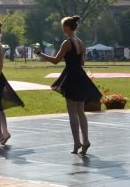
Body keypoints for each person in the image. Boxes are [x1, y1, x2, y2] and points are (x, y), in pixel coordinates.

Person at [35, 15, 102, 155]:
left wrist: (40, 53)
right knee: (81, 111)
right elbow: (82, 62)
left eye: (62, 26)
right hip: (80, 75)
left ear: (67, 27)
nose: (62, 29)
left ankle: (77, 143)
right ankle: (86, 140)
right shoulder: (80, 42)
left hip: (71, 77)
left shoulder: (67, 43)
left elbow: (56, 61)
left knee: (72, 112)